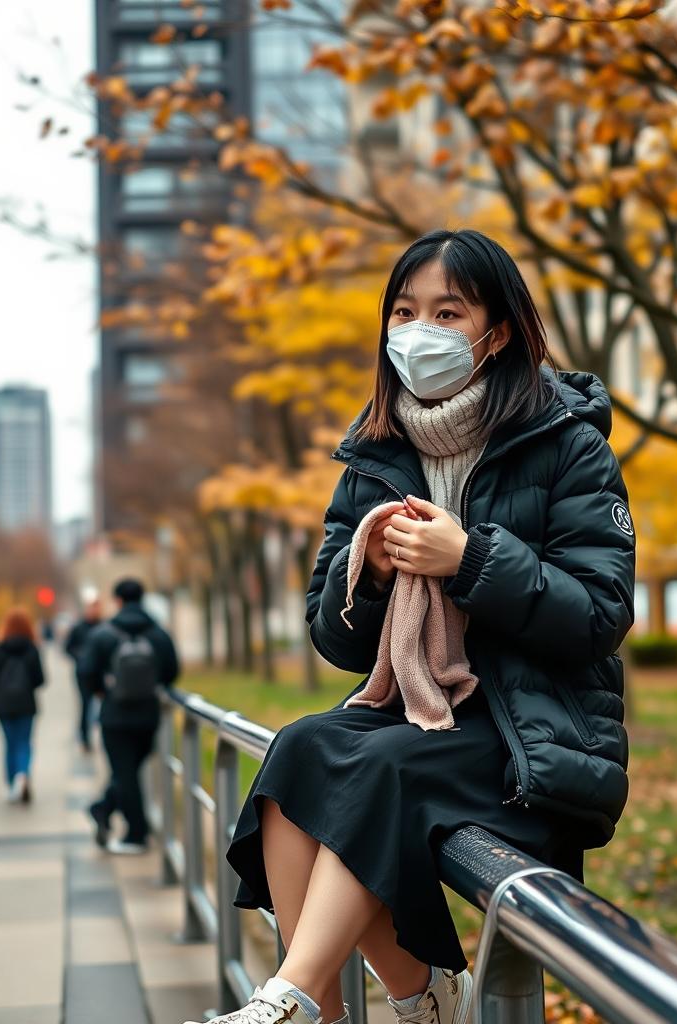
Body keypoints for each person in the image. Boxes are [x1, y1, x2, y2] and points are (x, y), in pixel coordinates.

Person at [200, 229, 636, 1024]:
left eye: (447, 312)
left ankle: (295, 999)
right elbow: (330, 637)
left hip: (530, 732)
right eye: (404, 313)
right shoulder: (375, 455)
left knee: (378, 770)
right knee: (299, 748)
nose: (420, 333)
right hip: (420, 715)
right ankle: (373, 1002)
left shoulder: (568, 445)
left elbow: (601, 616)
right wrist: (365, 575)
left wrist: (469, 560)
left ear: (495, 331)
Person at [80, 578, 180, 855]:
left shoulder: (104, 633)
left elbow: (86, 671)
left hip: (115, 716)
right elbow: (172, 671)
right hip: (148, 715)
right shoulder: (158, 633)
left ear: (118, 601)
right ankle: (102, 809)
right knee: (127, 773)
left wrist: (102, 691)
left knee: (125, 774)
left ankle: (136, 834)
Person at [0, 607, 45, 803]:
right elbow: (40, 679)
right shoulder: (32, 649)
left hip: (3, 705)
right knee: (24, 742)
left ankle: (11, 785)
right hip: (26, 703)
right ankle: (23, 774)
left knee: (9, 744)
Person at [64, 597, 103, 753]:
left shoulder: (104, 626)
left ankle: (100, 738)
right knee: (85, 705)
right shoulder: (79, 628)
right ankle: (85, 739)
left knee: (101, 706)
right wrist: (80, 656)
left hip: (100, 673)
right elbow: (68, 648)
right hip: (83, 673)